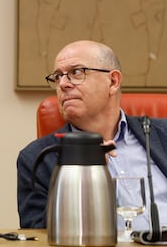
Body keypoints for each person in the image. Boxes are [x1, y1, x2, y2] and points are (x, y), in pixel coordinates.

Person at [17, 40, 167, 229]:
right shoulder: (36, 159)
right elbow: (37, 236)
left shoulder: (161, 135)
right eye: (57, 77)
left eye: (76, 72)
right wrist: (82, 178)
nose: (63, 84)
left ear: (113, 81)